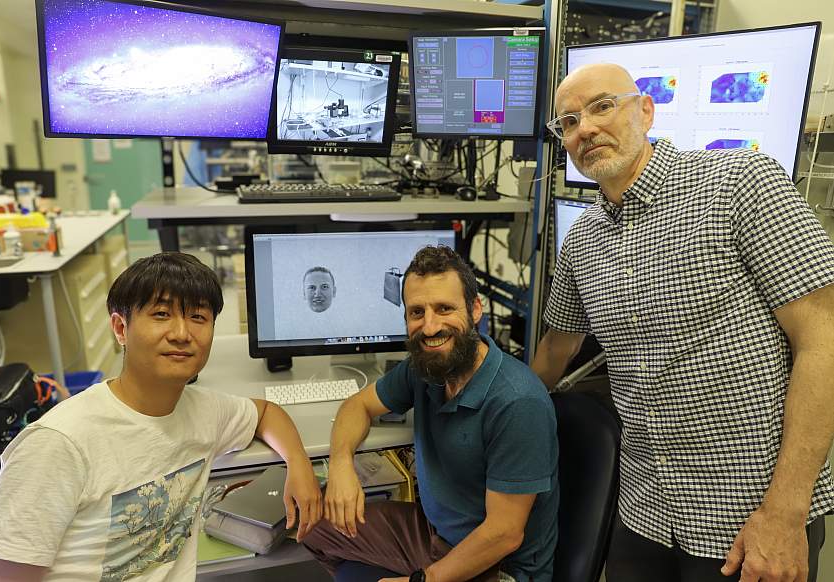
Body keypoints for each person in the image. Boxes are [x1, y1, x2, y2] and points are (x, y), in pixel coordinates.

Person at [533, 62, 834, 582]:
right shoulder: (582, 240)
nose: (585, 129)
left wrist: (785, 514)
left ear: (645, 111)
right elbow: (553, 355)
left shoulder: (740, 182)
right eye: (568, 122)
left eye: (602, 106)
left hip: (746, 519)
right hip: (643, 512)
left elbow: (824, 338)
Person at [0, 252, 322, 581]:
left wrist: (299, 465)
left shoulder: (203, 411)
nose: (182, 333)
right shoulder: (57, 444)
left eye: (197, 317)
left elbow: (265, 412)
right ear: (121, 328)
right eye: (161, 314)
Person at [303, 245, 559, 582]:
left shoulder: (517, 401)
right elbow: (357, 406)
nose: (430, 326)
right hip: (435, 534)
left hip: (497, 566)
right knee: (313, 525)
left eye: (444, 308)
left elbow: (504, 534)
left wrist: (422, 580)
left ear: (476, 309)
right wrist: (340, 466)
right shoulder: (426, 368)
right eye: (417, 312)